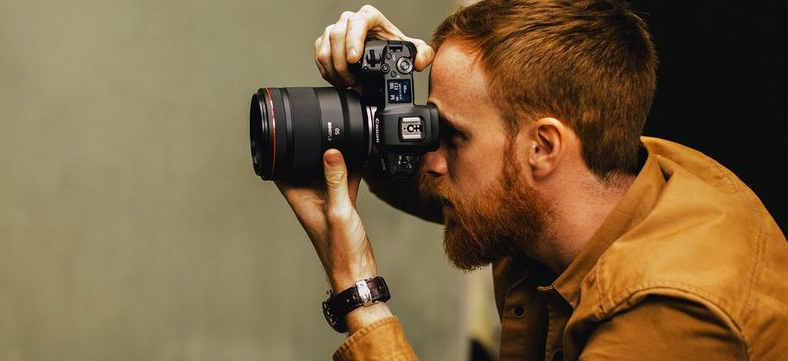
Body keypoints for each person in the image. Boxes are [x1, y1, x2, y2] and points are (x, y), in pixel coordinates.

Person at [275, 1, 788, 360]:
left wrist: (360, 298)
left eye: (450, 136)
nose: (430, 162)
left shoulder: (670, 310)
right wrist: (382, 97)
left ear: (542, 147)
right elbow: (432, 177)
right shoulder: (586, 185)